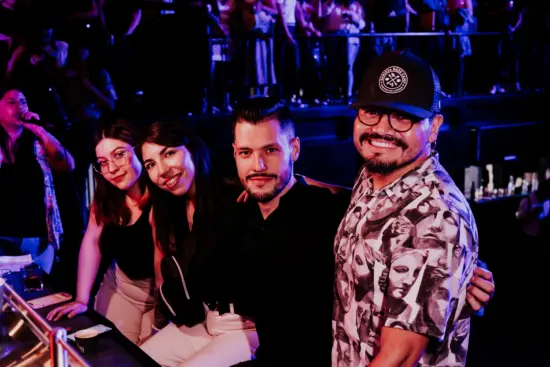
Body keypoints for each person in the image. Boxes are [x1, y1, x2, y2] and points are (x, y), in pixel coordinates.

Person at [222, 96, 494, 366]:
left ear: (293, 149)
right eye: (247, 153)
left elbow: (399, 354)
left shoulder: (333, 213)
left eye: (270, 150)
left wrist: (458, 270)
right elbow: (363, 203)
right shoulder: (366, 184)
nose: (258, 165)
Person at [332, 50, 489, 366]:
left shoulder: (435, 220)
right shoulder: (374, 174)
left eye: (403, 116)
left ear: (433, 128)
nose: (383, 129)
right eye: (372, 112)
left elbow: (399, 358)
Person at [138, 121, 259, 367]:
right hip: (204, 320)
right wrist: (155, 327)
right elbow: (165, 279)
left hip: (244, 327)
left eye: (169, 153)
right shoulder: (169, 210)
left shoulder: (236, 193)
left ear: (191, 148)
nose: (161, 170)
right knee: (135, 360)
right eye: (150, 164)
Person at [47, 119, 155, 345]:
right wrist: (81, 299)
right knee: (109, 350)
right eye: (103, 162)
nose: (112, 168)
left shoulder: (160, 191)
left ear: (139, 150)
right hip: (122, 288)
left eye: (119, 154)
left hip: (160, 296)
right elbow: (92, 241)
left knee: (147, 354)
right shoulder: (106, 196)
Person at [0, 87, 74, 274]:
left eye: (23, 101)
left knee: (37, 295)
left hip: (37, 235)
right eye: (12, 102)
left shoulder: (38, 141)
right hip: (3, 235)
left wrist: (40, 131)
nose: (20, 106)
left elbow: (67, 165)